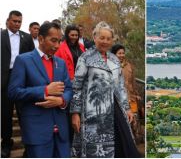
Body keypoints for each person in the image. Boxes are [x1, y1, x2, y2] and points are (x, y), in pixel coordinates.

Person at [70, 21, 140, 158]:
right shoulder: (85, 57)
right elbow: (76, 86)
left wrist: (127, 108)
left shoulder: (114, 59)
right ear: (94, 37)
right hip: (92, 112)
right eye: (101, 38)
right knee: (94, 150)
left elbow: (120, 87)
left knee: (122, 147)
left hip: (115, 109)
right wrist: (75, 112)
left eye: (108, 39)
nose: (105, 41)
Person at [7, 22, 73, 157]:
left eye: (59, 41)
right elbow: (13, 92)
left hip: (61, 131)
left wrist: (61, 101)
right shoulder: (23, 60)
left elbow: (69, 89)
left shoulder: (60, 63)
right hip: (37, 132)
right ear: (41, 39)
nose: (57, 45)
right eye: (53, 40)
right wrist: (45, 91)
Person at [1, 10, 34, 158]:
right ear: (8, 21)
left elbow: (33, 58)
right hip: (4, 79)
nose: (17, 24)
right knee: (5, 114)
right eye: (14, 21)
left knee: (24, 113)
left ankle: (28, 145)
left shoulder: (27, 38)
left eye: (19, 21)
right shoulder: (0, 36)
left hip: (22, 78)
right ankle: (6, 144)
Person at [111, 44, 142, 142]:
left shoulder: (128, 66)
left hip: (131, 97)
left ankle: (135, 142)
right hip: (118, 99)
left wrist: (136, 94)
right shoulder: (111, 66)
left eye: (123, 53)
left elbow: (133, 82)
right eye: (119, 53)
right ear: (114, 54)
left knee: (135, 119)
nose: (121, 55)